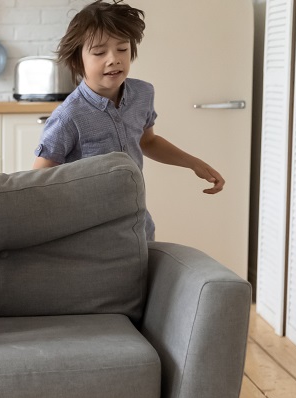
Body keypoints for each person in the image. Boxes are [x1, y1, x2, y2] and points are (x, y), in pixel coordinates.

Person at [32, 0, 224, 240]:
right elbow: (40, 178)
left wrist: (194, 163)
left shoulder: (143, 94)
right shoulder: (69, 116)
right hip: (88, 232)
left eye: (122, 49)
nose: (114, 59)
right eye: (100, 52)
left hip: (137, 222)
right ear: (77, 59)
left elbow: (148, 141)